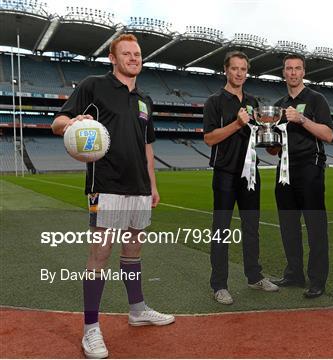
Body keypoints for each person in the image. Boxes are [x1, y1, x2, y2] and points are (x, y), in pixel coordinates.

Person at [52, 34, 174, 359]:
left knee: (133, 249)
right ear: (113, 58)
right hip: (105, 183)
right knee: (100, 254)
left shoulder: (146, 99)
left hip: (138, 186)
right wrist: (72, 123)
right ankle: (91, 329)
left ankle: (137, 310)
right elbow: (58, 121)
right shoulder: (94, 86)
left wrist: (153, 185)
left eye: (137, 54)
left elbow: (147, 147)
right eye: (127, 53)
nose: (134, 58)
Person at [203, 51, 279, 305]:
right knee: (221, 230)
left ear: (247, 72)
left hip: (250, 174)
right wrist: (236, 124)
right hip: (225, 172)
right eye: (234, 68)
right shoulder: (214, 101)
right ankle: (219, 285)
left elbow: (258, 136)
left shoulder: (253, 101)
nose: (239, 73)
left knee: (251, 227)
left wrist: (273, 140)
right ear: (226, 70)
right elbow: (209, 138)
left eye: (243, 69)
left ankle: (254, 276)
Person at [269, 54, 333, 298]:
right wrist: (268, 138)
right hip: (284, 169)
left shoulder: (317, 99)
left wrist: (301, 118)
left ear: (303, 72)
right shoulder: (279, 104)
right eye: (289, 69)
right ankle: (294, 273)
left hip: (310, 167)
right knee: (288, 226)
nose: (293, 73)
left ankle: (317, 280)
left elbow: (328, 135)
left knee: (315, 227)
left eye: (297, 68)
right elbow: (274, 148)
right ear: (283, 73)